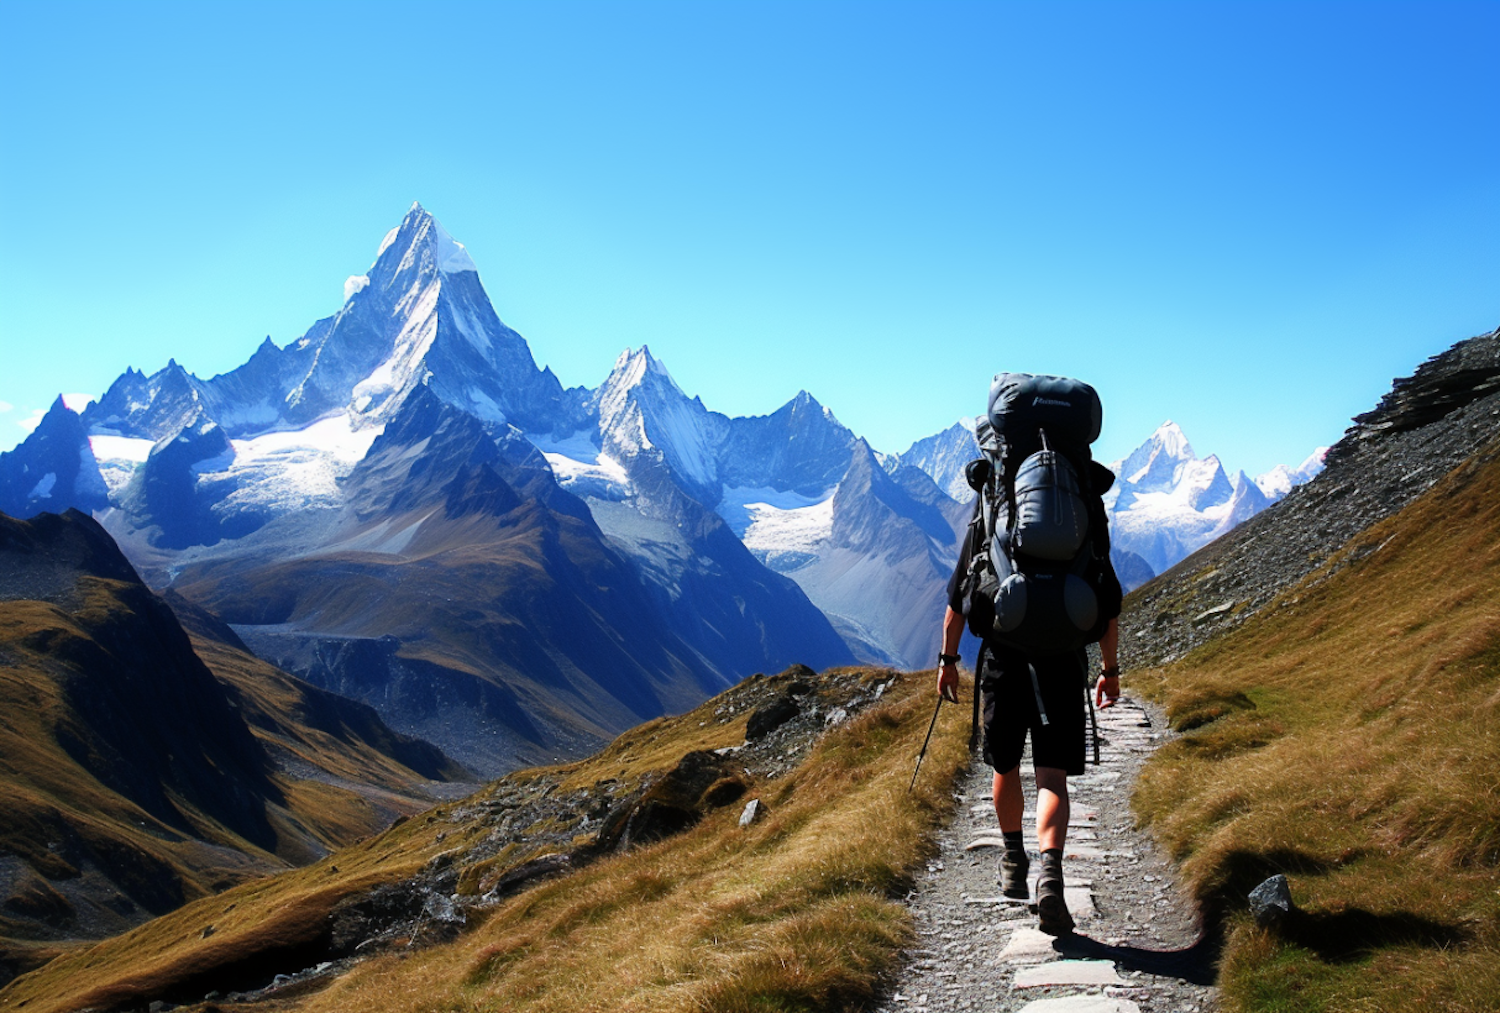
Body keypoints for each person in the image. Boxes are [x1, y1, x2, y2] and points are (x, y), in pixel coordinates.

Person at [936, 464, 1123, 936]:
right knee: (1053, 776)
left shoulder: (996, 504)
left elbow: (961, 595)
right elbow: (1106, 600)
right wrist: (1110, 670)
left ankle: (1013, 860)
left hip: (1005, 655)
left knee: (1004, 767)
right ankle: (1052, 878)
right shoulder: (1079, 510)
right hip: (1063, 657)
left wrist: (948, 659)